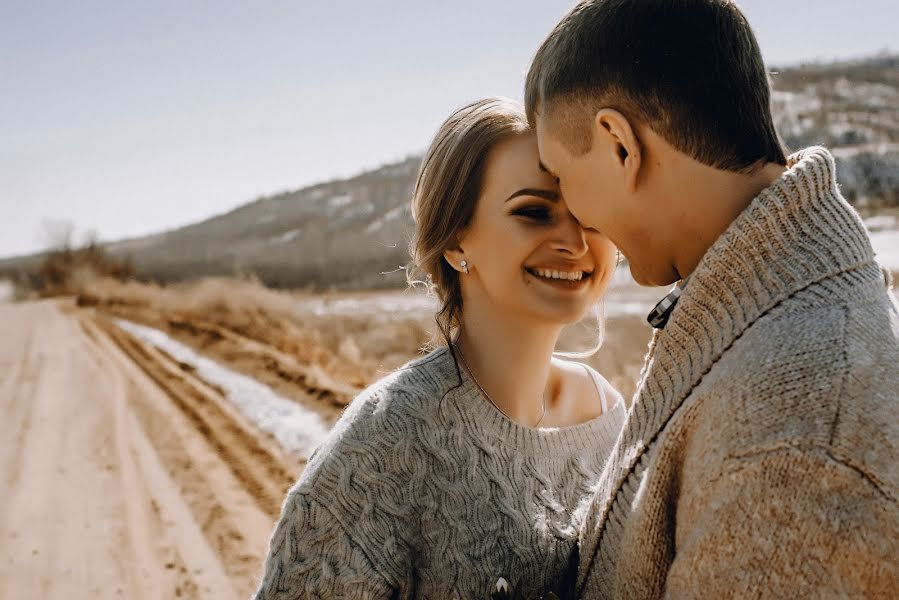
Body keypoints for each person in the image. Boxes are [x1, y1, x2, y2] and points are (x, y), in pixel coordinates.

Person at [524, 0, 899, 598]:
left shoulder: (795, 440)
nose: (571, 216)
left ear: (620, 145)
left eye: (561, 177)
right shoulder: (751, 307)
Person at [252, 97, 626, 599]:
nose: (576, 242)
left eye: (589, 212)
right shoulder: (385, 442)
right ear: (455, 241)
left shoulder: (609, 418)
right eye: (534, 212)